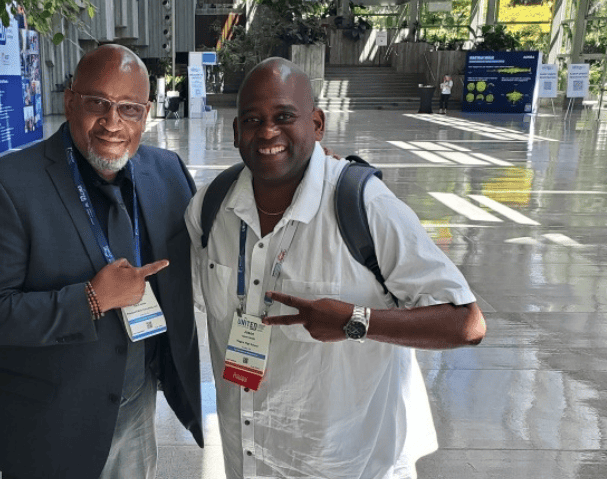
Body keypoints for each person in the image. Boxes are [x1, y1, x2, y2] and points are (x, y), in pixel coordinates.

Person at [185, 58, 486, 479]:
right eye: (253, 120)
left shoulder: (366, 206)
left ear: (318, 124)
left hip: (347, 463)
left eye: (284, 117)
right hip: (248, 459)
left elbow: (466, 323)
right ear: (236, 132)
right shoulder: (210, 207)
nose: (267, 132)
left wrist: (355, 321)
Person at [0, 44, 203, 479]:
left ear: (146, 113)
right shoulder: (8, 184)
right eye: (98, 104)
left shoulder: (166, 171)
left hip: (136, 408)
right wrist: (90, 299)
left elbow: (218, 230)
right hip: (53, 423)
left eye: (128, 108)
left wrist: (306, 172)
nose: (113, 123)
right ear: (70, 100)